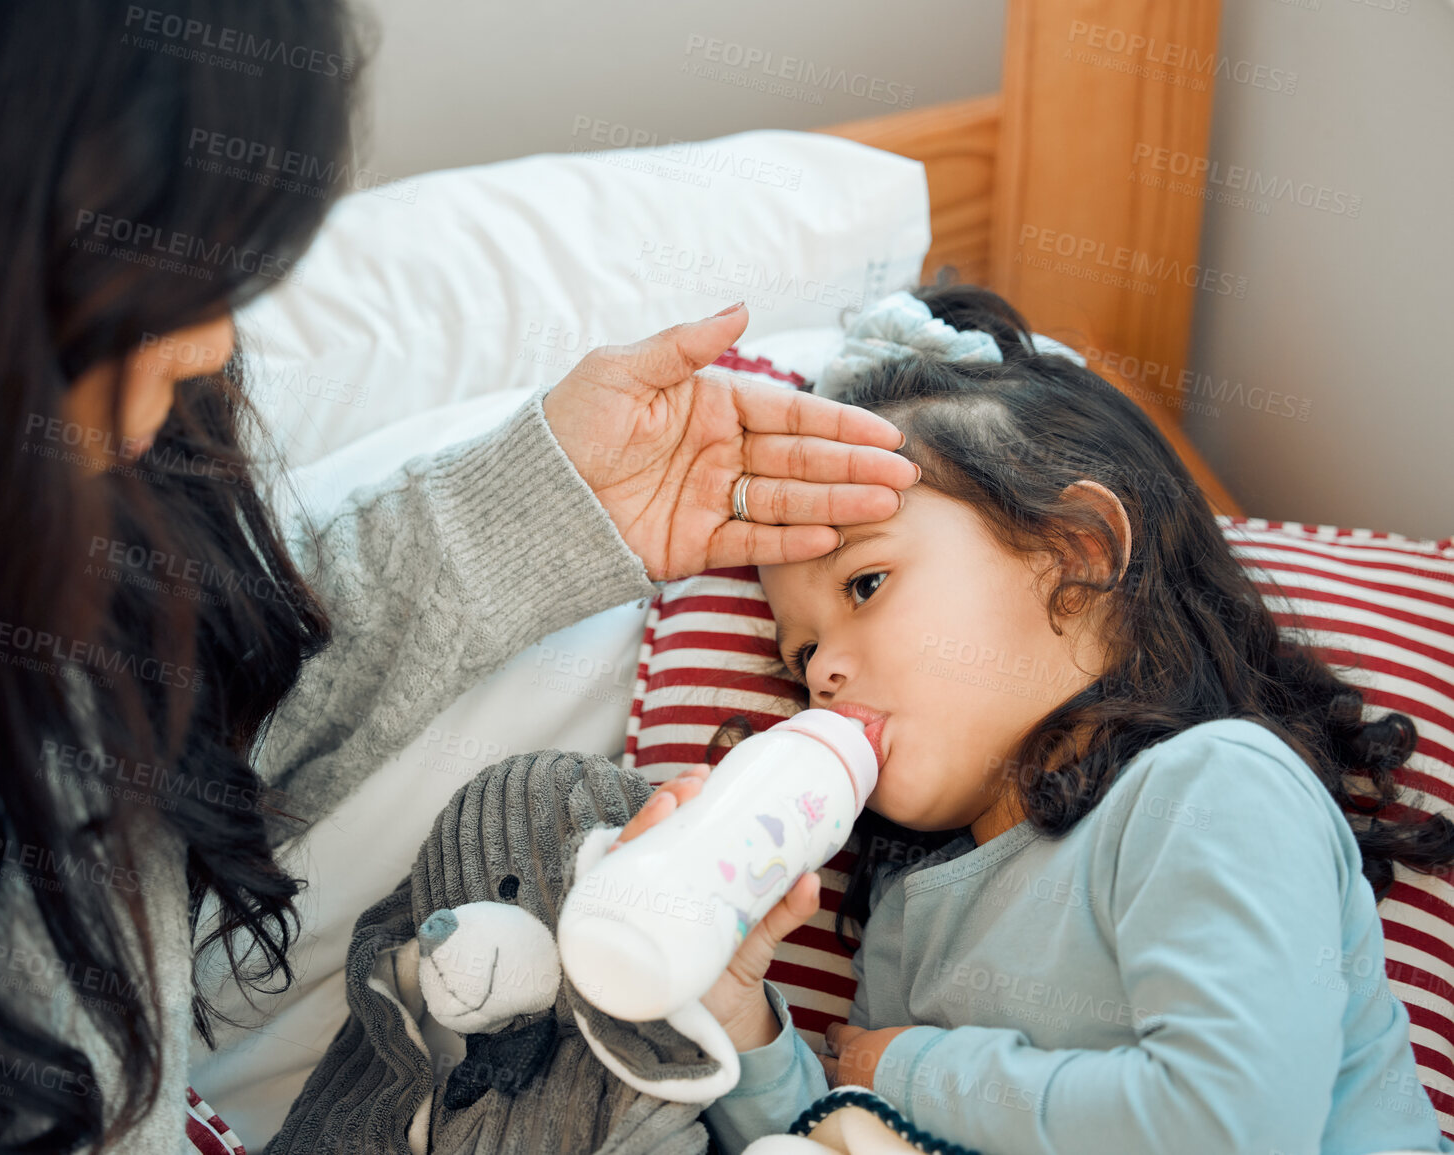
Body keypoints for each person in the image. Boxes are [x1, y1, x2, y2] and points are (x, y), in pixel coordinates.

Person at [0, 2, 916, 1152]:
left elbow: (175, 752)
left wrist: (545, 505)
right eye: (182, 294)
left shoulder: (49, 501)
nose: (212, 347)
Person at [612, 285, 1454, 1154]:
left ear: (1077, 553)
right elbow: (847, 1134)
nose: (820, 669)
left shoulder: (1213, 787)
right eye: (798, 654)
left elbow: (1228, 1124)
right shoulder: (909, 916)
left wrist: (901, 1069)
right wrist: (737, 1020)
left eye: (866, 585)